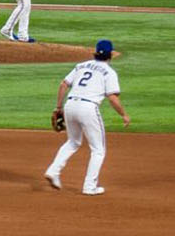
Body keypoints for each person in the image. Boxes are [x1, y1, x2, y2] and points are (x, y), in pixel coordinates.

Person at [44, 39, 128, 196]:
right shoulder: (109, 72)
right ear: (110, 55)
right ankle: (90, 186)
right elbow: (112, 98)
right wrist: (124, 115)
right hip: (88, 108)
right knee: (98, 150)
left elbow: (63, 84)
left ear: (95, 53)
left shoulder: (81, 65)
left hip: (70, 104)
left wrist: (58, 107)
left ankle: (53, 171)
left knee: (73, 142)